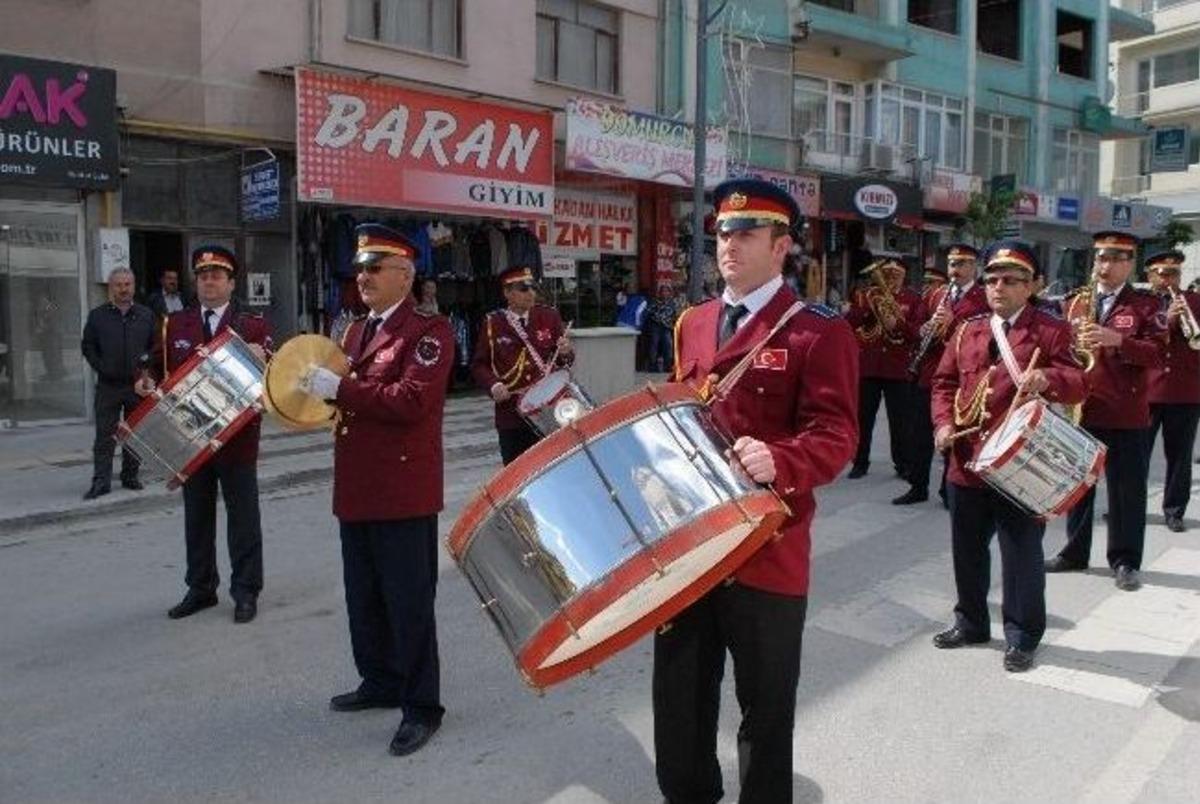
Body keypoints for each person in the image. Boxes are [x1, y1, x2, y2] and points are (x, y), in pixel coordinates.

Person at [656, 178, 859, 803]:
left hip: (768, 549)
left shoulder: (816, 331)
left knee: (766, 709)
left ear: (781, 246)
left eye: (747, 233)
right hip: (692, 543)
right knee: (679, 699)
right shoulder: (694, 322)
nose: (730, 245)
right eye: (723, 233)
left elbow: (837, 436)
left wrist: (782, 459)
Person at [299, 223, 454, 757]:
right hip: (358, 487)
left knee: (408, 603)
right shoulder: (352, 332)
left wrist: (341, 389)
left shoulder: (429, 332)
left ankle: (422, 706)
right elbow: (347, 400)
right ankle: (381, 680)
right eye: (360, 268)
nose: (362, 277)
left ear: (405, 276)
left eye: (375, 268)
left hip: (402, 490)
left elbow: (411, 401)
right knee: (363, 597)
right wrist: (308, 393)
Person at [930, 242, 1087, 672]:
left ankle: (1022, 636)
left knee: (1021, 554)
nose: (998, 287)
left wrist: (1048, 378)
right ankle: (971, 623)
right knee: (967, 550)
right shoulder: (968, 329)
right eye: (992, 279)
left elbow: (1079, 383)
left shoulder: (1051, 330)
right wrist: (942, 424)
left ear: (1031, 286)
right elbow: (943, 383)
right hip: (967, 460)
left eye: (1011, 280)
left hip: (1021, 463)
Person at [137, 246, 271, 623]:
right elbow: (154, 363)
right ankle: (200, 588)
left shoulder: (251, 325)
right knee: (196, 518)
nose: (209, 282)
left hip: (237, 437)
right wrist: (145, 379)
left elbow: (273, 376)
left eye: (217, 276)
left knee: (243, 519)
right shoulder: (175, 323)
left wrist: (264, 357)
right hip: (189, 436)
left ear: (231, 283)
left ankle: (245, 591)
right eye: (202, 276)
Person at [1046, 231, 1166, 591]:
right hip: (1083, 409)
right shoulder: (1074, 302)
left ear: (1129, 264)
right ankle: (1074, 552)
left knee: (1126, 491)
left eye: (1114, 258)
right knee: (1079, 487)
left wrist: (1120, 341)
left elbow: (1158, 355)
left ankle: (1125, 560)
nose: (1105, 265)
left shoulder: (1146, 305)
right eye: (1100, 257)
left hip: (1125, 411)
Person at [898, 244, 989, 506]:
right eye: (951, 264)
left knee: (954, 434)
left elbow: (982, 338)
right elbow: (915, 327)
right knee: (920, 434)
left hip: (962, 377)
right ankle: (917, 486)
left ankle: (948, 490)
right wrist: (926, 328)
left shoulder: (984, 298)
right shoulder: (936, 294)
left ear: (973, 267)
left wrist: (952, 324)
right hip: (930, 372)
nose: (954, 269)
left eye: (960, 264)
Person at [470, 266, 574, 465]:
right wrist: (494, 385)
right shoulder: (493, 323)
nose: (531, 293)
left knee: (553, 467)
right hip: (512, 414)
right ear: (507, 293)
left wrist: (566, 352)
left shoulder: (548, 316)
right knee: (518, 469)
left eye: (533, 288)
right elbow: (479, 365)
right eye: (524, 289)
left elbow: (564, 362)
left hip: (549, 410)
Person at [845, 257, 925, 479]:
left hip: (897, 367)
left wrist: (896, 324)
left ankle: (903, 463)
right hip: (869, 366)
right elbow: (849, 322)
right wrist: (868, 310)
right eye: (886, 274)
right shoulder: (867, 295)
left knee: (900, 421)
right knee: (863, 418)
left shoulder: (913, 299)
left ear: (903, 277)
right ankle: (859, 462)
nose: (890, 278)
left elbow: (917, 333)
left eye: (895, 275)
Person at [81, 267, 156, 499]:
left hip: (137, 386)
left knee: (135, 434)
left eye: (127, 284)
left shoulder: (146, 315)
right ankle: (101, 481)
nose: (123, 289)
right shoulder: (97, 316)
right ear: (110, 288)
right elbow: (88, 346)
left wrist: (147, 373)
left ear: (133, 286)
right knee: (105, 436)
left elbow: (155, 347)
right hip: (108, 386)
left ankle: (130, 476)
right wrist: (102, 366)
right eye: (118, 285)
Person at [1144, 250, 1200, 532]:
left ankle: (1175, 511)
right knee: (1135, 456)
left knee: (1180, 457)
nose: (1169, 279)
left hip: (1185, 391)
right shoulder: (1141, 304)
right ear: (1150, 276)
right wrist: (1167, 319)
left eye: (1174, 273)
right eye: (1162, 274)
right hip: (1146, 391)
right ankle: (1129, 507)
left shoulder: (1195, 302)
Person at [645, 282, 679, 372]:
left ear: (670, 293)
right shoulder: (655, 302)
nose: (665, 293)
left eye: (667, 291)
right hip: (656, 325)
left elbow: (676, 315)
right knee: (654, 344)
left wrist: (673, 324)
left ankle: (667, 365)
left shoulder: (672, 303)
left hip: (666, 327)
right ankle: (652, 366)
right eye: (663, 291)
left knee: (668, 344)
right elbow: (649, 312)